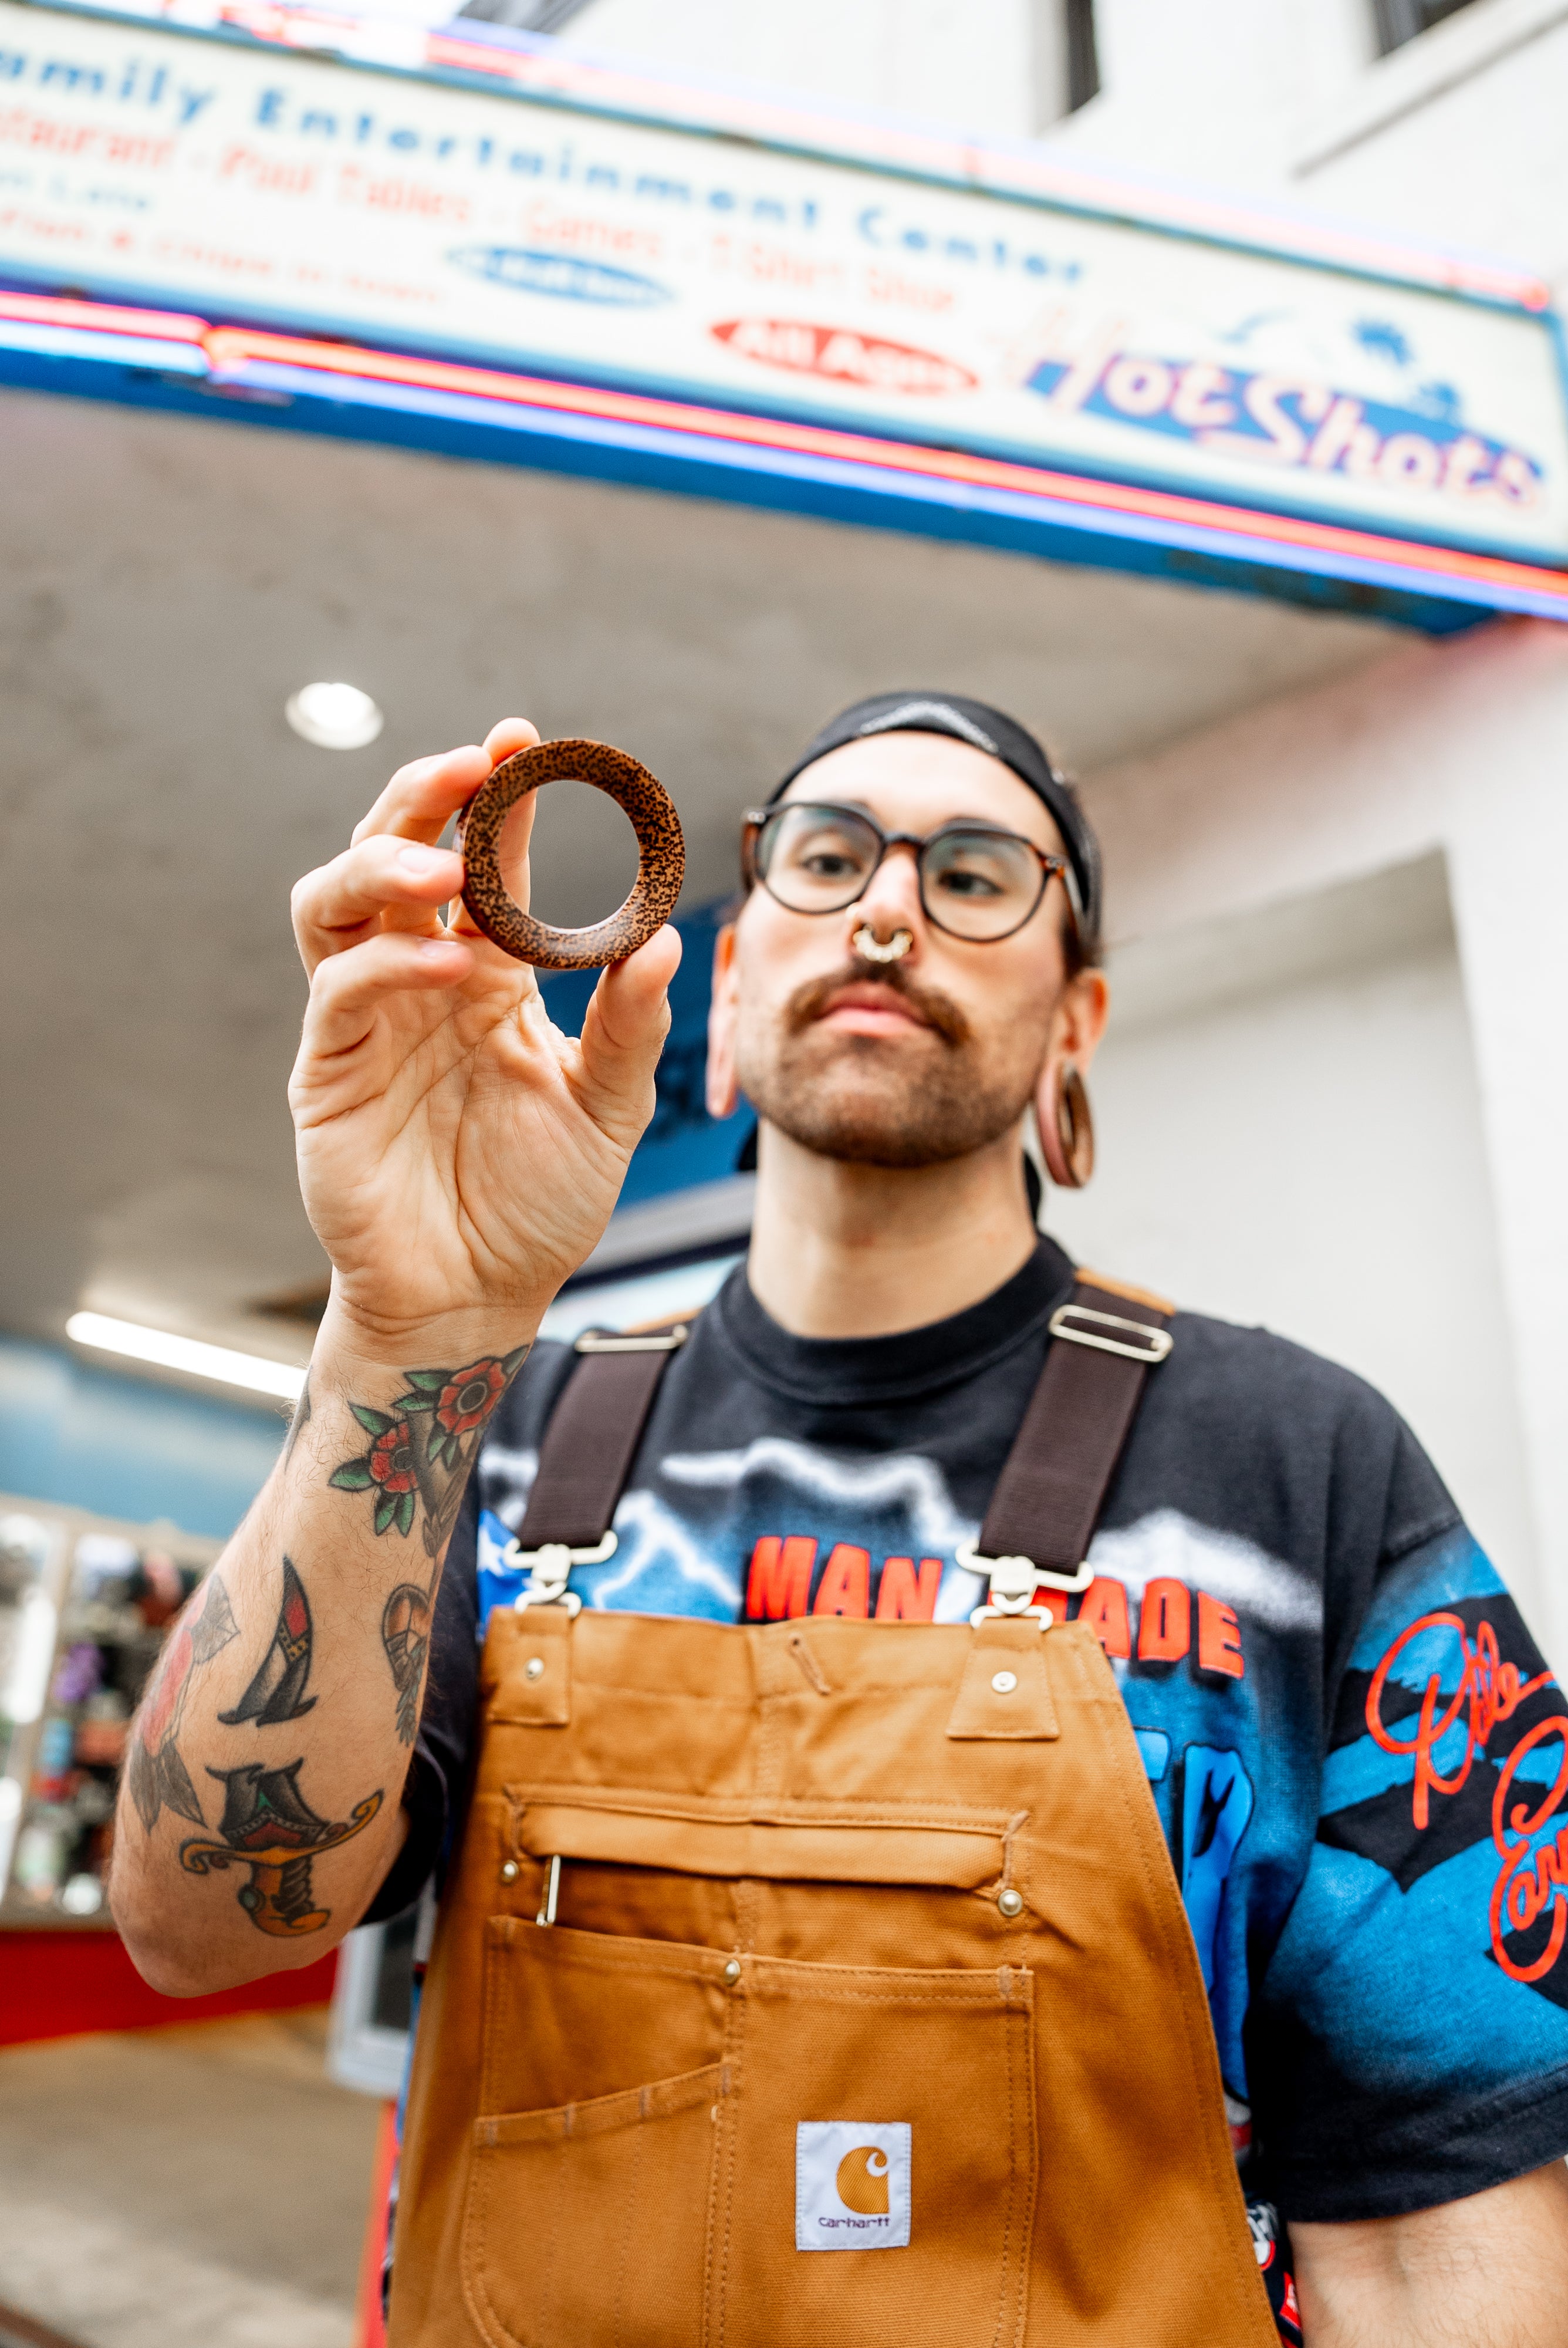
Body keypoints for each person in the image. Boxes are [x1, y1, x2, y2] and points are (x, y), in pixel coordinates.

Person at [113, 694, 1568, 2347]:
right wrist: (402, 1337)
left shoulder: (1300, 1466)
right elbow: (197, 1923)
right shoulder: (487, 1431)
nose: (887, 909)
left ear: (1076, 1025)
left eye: (975, 874)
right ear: (726, 995)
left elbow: (1437, 2216)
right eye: (825, 859)